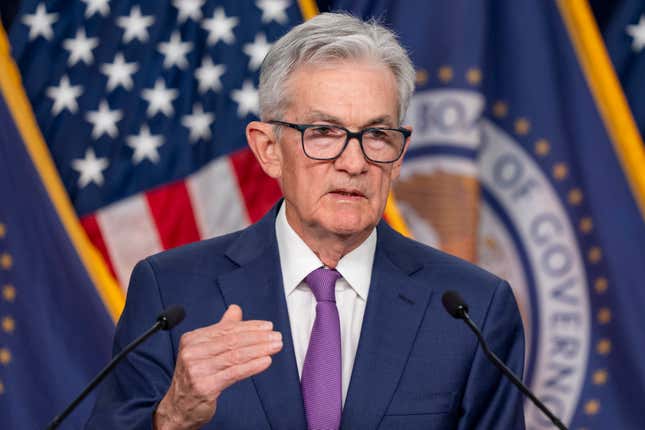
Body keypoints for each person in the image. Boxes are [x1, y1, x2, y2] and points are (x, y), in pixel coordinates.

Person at [87, 12, 526, 430]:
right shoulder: (172, 293)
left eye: (376, 135)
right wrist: (171, 418)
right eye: (323, 132)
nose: (353, 162)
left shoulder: (473, 310)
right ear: (268, 149)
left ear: (399, 157)